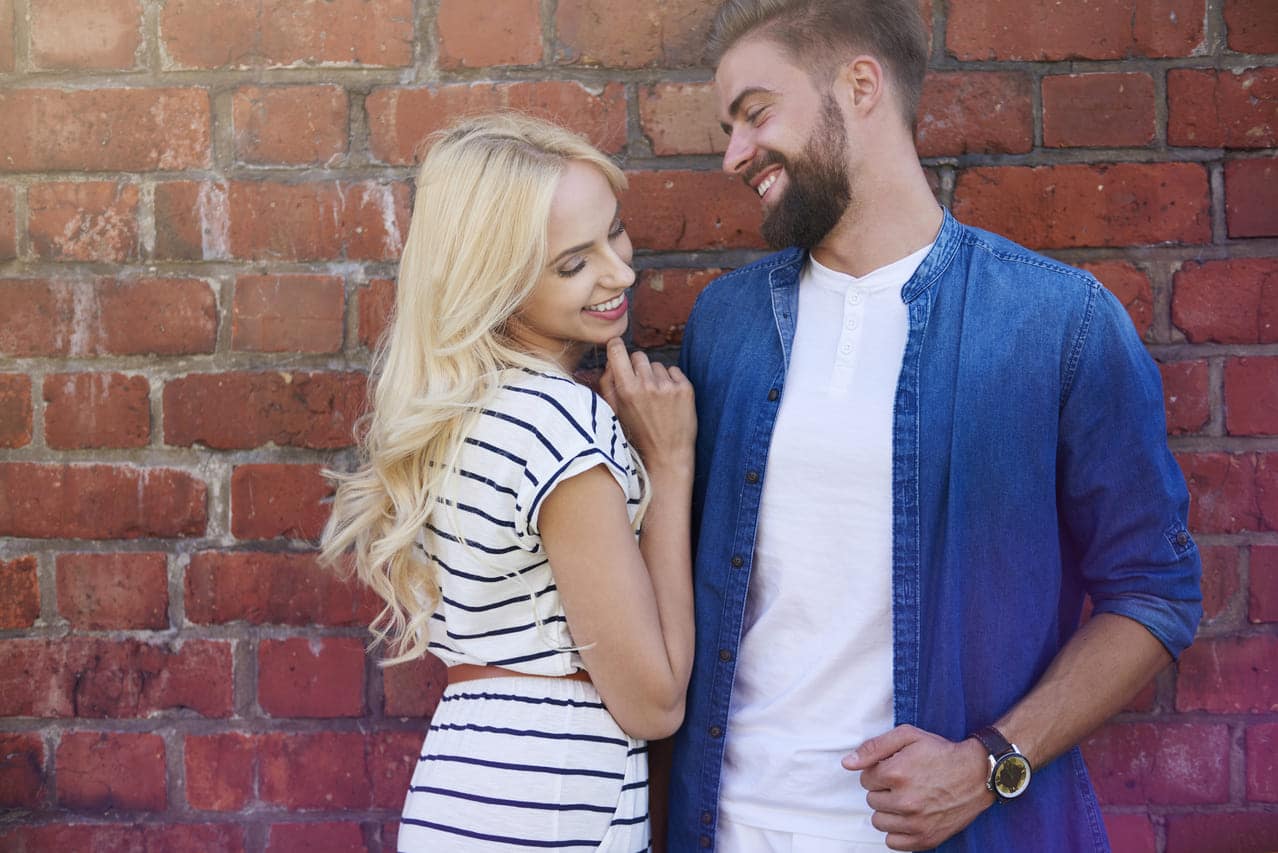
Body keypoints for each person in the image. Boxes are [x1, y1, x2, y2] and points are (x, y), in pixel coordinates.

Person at [666, 1, 1204, 851]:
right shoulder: (725, 325)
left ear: (862, 85)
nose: (735, 154)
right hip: (732, 826)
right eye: (728, 127)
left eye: (756, 114)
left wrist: (990, 762)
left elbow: (1154, 594)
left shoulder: (1055, 325)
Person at [320, 113, 697, 851]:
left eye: (613, 233)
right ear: (496, 282)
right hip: (547, 807)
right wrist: (671, 466)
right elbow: (654, 703)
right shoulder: (558, 423)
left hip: (460, 792)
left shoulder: (454, 414)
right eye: (572, 263)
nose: (620, 272)